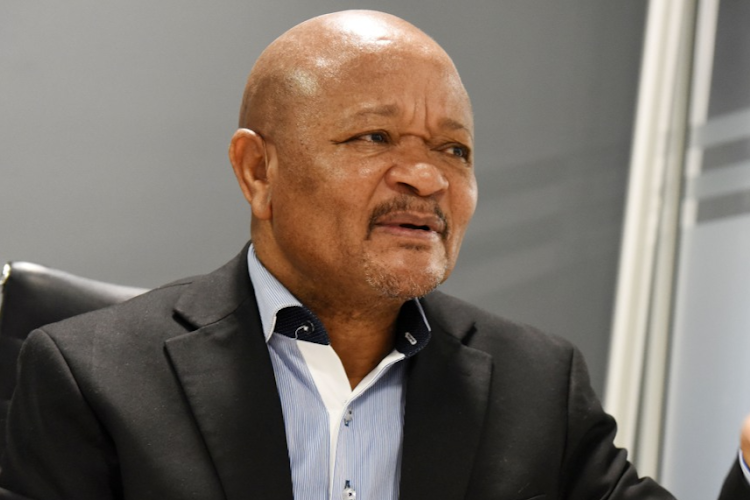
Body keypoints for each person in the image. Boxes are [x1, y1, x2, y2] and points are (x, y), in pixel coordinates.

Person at [0, 9, 748, 500]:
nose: (427, 177)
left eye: (454, 150)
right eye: (375, 137)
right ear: (258, 172)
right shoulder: (90, 375)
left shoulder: (537, 385)